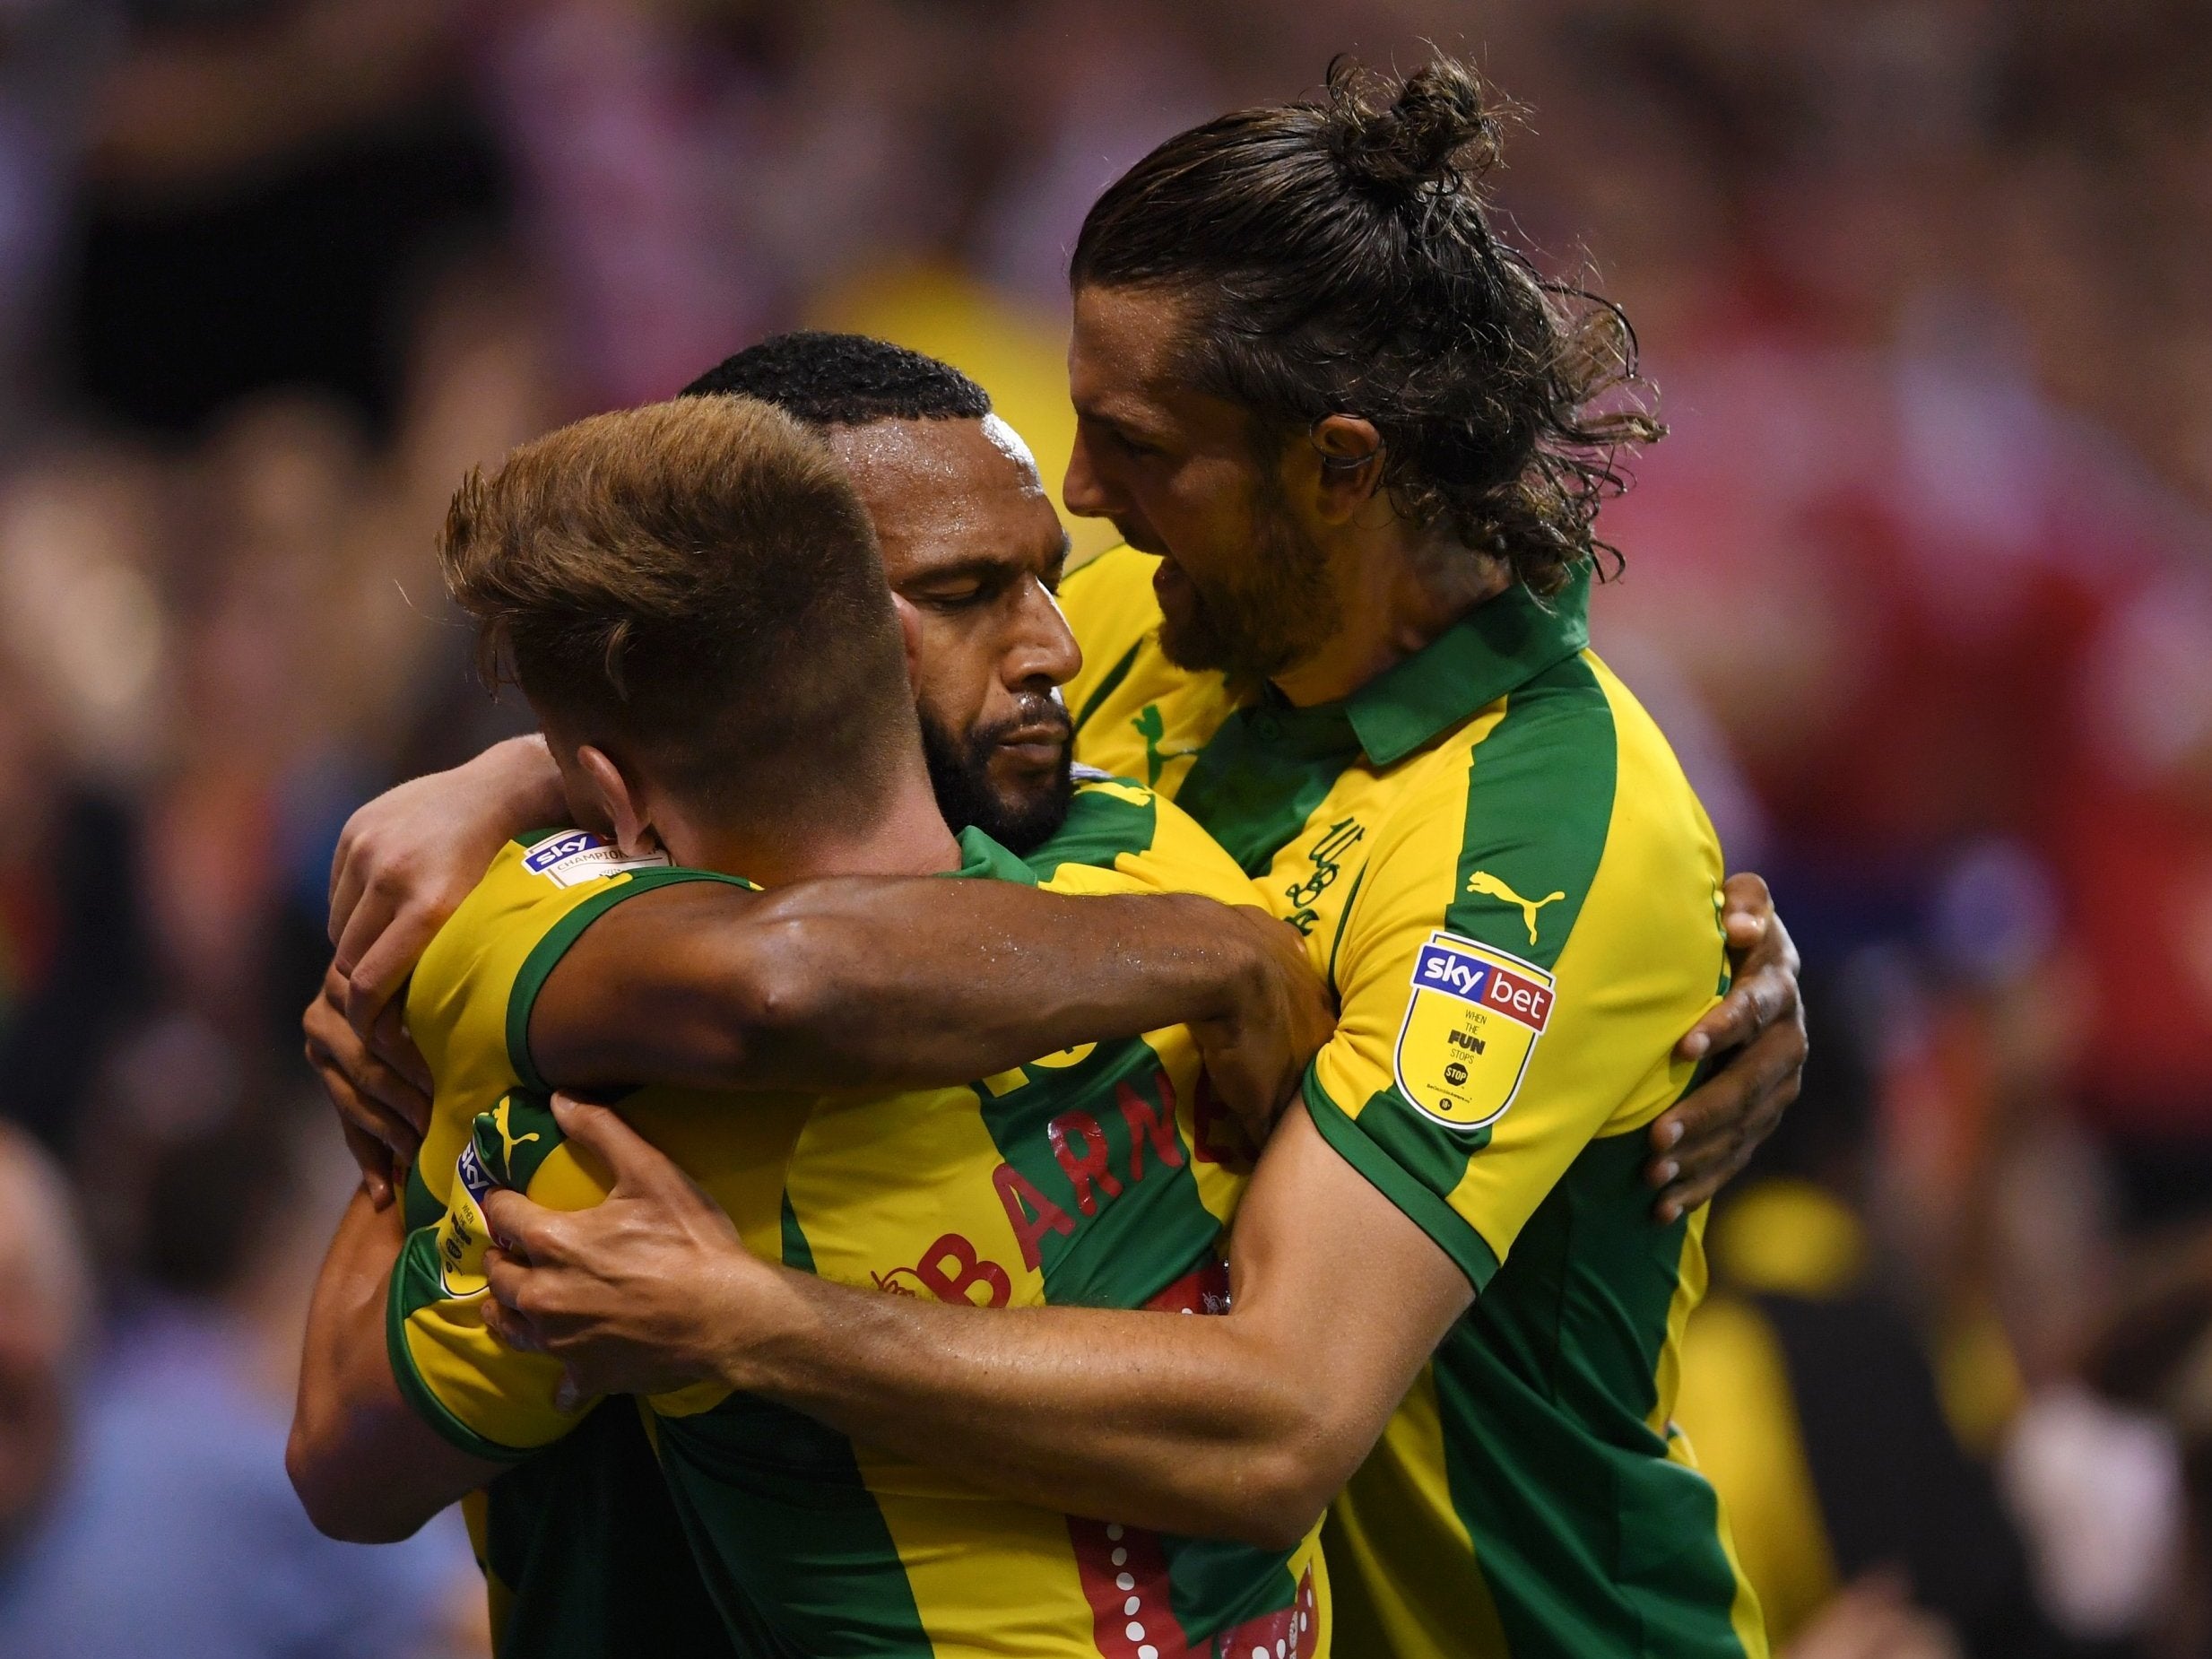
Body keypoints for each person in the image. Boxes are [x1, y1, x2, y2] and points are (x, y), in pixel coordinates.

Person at [317, 58, 1805, 1659]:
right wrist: (508, 773)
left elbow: (1284, 1418)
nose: (1086, 498)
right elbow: (799, 692)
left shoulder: (1548, 842)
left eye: (1135, 443)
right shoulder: (1131, 632)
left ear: (1343, 466)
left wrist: (755, 1324)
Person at [288, 391, 1339, 1655]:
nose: (1051, 645)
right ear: (888, 650)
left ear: (603, 788)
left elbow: (340, 1467)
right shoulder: (1163, 856)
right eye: (965, 593)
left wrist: (399, 1120)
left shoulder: (608, 1148)